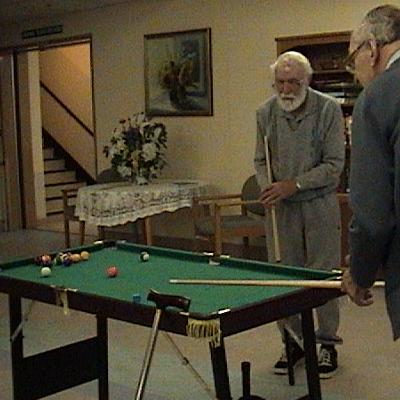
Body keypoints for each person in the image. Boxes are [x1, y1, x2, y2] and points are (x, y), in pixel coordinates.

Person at [254, 51, 345, 378]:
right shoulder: (265, 113)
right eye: (280, 82)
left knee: (323, 277)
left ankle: (327, 344)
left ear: (307, 80)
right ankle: (292, 343)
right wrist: (268, 187)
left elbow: (334, 165)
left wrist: (294, 185)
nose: (286, 89)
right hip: (281, 209)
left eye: (293, 82)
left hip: (319, 204)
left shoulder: (328, 109)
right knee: (283, 278)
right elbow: (260, 160)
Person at [341, 5, 400, 341]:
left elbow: (373, 216)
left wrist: (360, 273)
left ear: (373, 49)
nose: (354, 74)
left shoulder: (377, 98)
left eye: (354, 60)